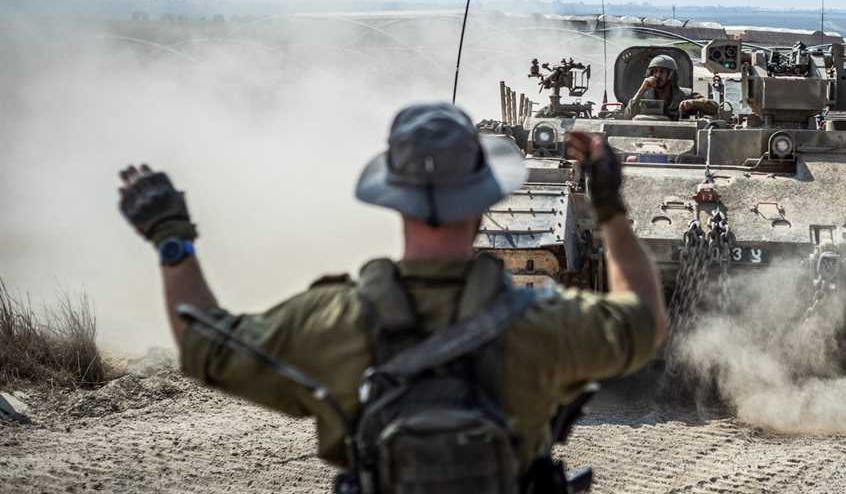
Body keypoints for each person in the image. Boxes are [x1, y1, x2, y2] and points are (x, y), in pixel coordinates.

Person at [117, 102, 667, 491]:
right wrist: (610, 210)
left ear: (395, 201)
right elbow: (643, 321)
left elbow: (202, 345)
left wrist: (172, 241)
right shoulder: (546, 322)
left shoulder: (335, 319)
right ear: (484, 205)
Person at [624, 55, 687, 119]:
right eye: (655, 71)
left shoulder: (683, 95)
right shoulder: (644, 96)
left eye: (662, 72)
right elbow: (628, 116)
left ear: (671, 75)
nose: (657, 75)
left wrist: (693, 103)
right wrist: (642, 89)